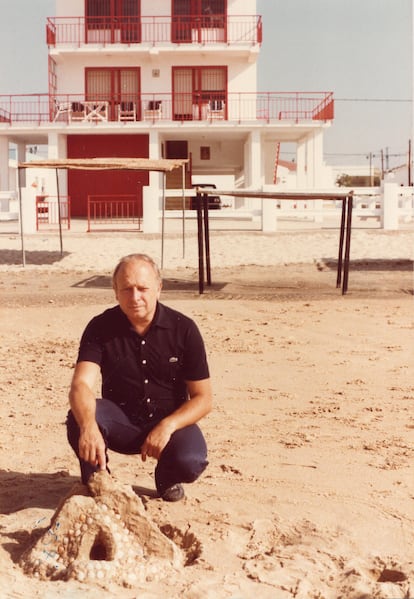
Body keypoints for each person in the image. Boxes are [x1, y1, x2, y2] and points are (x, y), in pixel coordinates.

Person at [67, 253, 212, 502]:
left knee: (191, 461)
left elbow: (203, 398)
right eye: (126, 289)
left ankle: (166, 478)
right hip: (120, 422)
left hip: (169, 424)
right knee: (79, 418)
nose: (135, 297)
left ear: (159, 288)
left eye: (142, 288)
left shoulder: (184, 329)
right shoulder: (100, 327)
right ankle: (99, 481)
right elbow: (81, 384)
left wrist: (168, 426)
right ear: (115, 291)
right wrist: (89, 426)